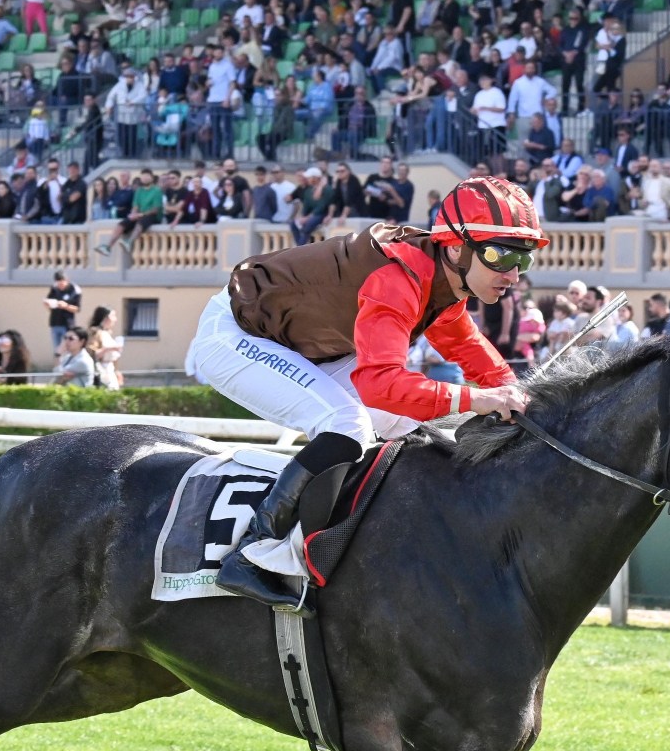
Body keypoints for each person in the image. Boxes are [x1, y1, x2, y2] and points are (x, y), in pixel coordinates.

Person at [185, 177, 547, 614]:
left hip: (303, 345)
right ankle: (254, 551)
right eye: (500, 255)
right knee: (347, 424)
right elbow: (380, 384)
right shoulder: (398, 279)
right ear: (456, 248)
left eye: (523, 260)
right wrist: (477, 400)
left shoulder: (446, 283)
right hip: (235, 336)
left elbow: (468, 350)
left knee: (414, 428)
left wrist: (523, 394)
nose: (512, 274)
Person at [44, 268, 82, 357]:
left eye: (62, 282)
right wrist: (48, 304)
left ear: (67, 280)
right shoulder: (54, 288)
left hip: (67, 324)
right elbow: (49, 300)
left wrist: (66, 306)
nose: (60, 285)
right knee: (57, 350)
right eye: (58, 282)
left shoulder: (74, 290)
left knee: (68, 349)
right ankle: (58, 368)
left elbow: (77, 309)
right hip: (55, 323)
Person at [87, 306, 123, 390]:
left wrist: (117, 371)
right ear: (105, 317)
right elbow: (92, 353)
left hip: (110, 368)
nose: (115, 319)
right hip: (101, 369)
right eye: (113, 316)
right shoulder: (95, 333)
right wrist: (109, 348)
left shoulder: (106, 333)